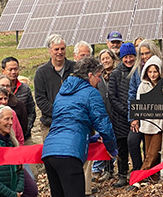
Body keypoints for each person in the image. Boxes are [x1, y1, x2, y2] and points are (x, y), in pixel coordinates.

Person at [42, 57, 118, 197]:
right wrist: (112, 149)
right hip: (69, 154)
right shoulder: (91, 93)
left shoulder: (62, 92)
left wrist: (93, 139)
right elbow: (104, 125)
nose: (100, 80)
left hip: (49, 152)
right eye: (98, 76)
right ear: (90, 76)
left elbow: (67, 125)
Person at [128, 40, 161, 177]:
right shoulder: (137, 72)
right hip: (143, 117)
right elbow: (133, 95)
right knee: (135, 142)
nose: (144, 56)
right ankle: (141, 171)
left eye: (147, 53)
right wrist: (134, 117)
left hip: (159, 120)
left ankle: (143, 174)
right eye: (141, 54)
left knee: (154, 149)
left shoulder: (161, 67)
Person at [34, 34, 76, 140]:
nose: (60, 52)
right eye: (56, 49)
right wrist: (59, 113)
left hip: (74, 122)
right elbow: (40, 99)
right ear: (50, 50)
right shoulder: (41, 72)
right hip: (50, 124)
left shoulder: (75, 68)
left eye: (62, 49)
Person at [108, 43, 137, 188]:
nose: (129, 60)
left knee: (136, 146)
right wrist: (127, 113)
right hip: (120, 118)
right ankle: (122, 175)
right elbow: (112, 97)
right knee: (122, 148)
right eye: (126, 57)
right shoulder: (115, 73)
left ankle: (138, 173)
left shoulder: (139, 71)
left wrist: (135, 113)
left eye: (131, 56)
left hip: (138, 116)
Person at [92, 49, 119, 182]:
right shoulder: (99, 77)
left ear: (113, 58)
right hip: (103, 112)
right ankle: (108, 169)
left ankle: (119, 168)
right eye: (103, 59)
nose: (105, 61)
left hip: (117, 113)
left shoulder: (118, 73)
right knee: (104, 141)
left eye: (107, 58)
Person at [136, 55, 163, 180]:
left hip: (159, 124)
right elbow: (139, 103)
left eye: (155, 71)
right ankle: (152, 176)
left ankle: (141, 174)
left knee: (153, 153)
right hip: (147, 124)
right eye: (150, 71)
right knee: (147, 152)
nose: (152, 74)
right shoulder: (143, 86)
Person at [1, 57, 35, 142]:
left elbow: (31, 111)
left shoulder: (25, 89)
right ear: (3, 71)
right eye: (10, 69)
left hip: (24, 136)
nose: (13, 72)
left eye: (16, 69)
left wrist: (26, 129)